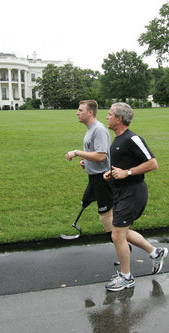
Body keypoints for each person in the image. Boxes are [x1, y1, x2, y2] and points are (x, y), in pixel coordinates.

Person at [103, 102, 168, 292]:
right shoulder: (118, 139)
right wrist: (111, 173)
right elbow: (122, 165)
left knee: (117, 234)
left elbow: (153, 163)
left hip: (133, 193)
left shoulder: (133, 139)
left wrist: (127, 173)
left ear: (119, 119)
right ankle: (155, 252)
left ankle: (126, 278)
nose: (106, 117)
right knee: (122, 232)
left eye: (109, 114)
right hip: (121, 192)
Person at [66, 100, 114, 240]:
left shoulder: (98, 129)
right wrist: (86, 162)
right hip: (93, 177)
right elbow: (95, 154)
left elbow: (101, 156)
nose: (77, 113)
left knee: (106, 218)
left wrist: (77, 152)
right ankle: (122, 249)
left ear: (90, 112)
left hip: (103, 178)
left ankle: (125, 248)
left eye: (81, 110)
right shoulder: (91, 129)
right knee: (85, 201)